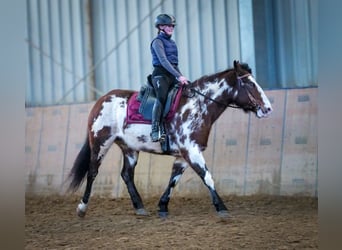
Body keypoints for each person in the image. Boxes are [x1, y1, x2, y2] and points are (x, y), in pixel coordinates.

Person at [150, 14, 188, 142]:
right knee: (162, 96)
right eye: (168, 25)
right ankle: (155, 128)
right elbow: (164, 61)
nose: (171, 27)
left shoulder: (172, 42)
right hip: (160, 74)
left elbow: (174, 64)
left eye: (172, 25)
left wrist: (182, 77)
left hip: (172, 74)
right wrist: (178, 76)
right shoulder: (157, 42)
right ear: (161, 27)